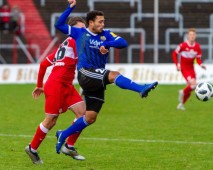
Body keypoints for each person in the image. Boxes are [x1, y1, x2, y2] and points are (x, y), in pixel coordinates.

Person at [54, 0, 158, 154]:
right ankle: (141, 88)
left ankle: (64, 134)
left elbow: (123, 43)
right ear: (91, 22)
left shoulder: (106, 34)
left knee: (90, 117)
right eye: (100, 21)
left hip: (97, 79)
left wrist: (108, 44)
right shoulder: (79, 33)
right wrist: (70, 8)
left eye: (104, 21)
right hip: (86, 73)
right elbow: (58, 24)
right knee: (114, 75)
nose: (103, 24)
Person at [25, 16, 87, 164]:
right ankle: (32, 148)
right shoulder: (74, 42)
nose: (84, 31)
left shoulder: (64, 45)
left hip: (66, 86)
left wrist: (39, 84)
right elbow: (84, 63)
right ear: (72, 31)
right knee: (51, 121)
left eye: (85, 28)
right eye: (81, 29)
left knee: (84, 115)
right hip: (56, 86)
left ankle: (69, 146)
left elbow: (43, 65)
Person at [172, 28, 206, 110]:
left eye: (193, 35)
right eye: (190, 35)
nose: (192, 36)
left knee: (191, 88)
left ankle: (181, 104)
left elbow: (198, 59)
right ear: (188, 36)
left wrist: (201, 65)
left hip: (191, 68)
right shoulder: (183, 45)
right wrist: (177, 65)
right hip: (184, 68)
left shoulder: (197, 47)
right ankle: (182, 92)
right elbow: (174, 54)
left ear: (195, 36)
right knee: (193, 84)